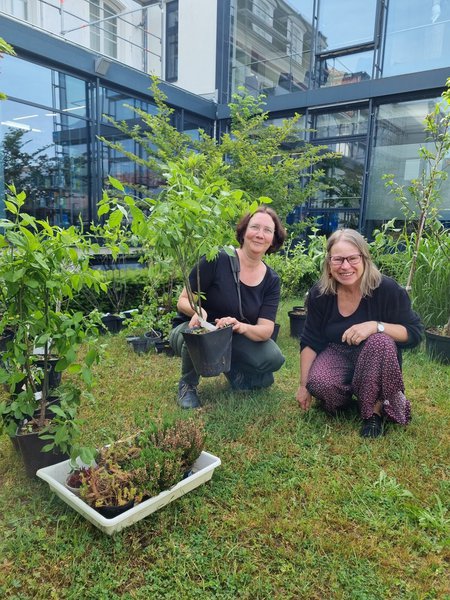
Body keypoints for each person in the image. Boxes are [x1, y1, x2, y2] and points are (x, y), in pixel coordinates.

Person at [295, 229, 423, 438]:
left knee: (380, 341)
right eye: (338, 260)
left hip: (376, 353)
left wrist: (376, 325)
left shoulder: (387, 289)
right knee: (319, 384)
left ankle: (375, 412)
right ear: (329, 263)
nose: (345, 266)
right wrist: (303, 386)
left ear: (364, 259)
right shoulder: (320, 293)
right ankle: (353, 395)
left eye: (352, 258)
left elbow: (414, 333)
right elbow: (310, 340)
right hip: (337, 351)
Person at [169, 206, 287, 409]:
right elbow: (182, 300)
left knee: (273, 358)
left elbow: (265, 330)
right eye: (255, 227)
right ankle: (187, 384)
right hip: (195, 330)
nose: (260, 234)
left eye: (268, 230)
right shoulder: (217, 258)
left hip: (232, 335)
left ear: (274, 239)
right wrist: (200, 312)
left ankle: (232, 370)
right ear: (243, 231)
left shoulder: (271, 280)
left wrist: (240, 326)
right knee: (199, 332)